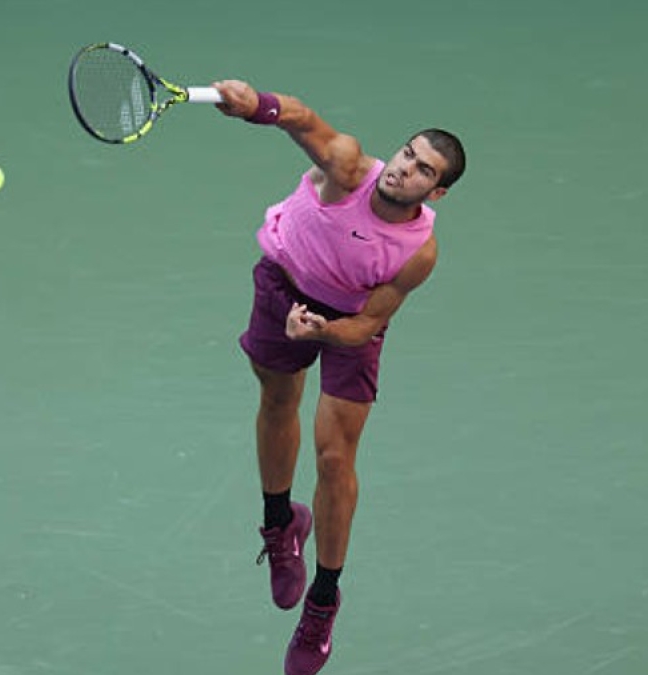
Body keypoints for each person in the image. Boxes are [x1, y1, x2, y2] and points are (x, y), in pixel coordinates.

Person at [210, 79, 466, 675]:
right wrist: (257, 106)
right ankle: (281, 524)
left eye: (423, 169)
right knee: (277, 399)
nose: (405, 169)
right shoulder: (349, 168)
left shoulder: (418, 252)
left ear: (439, 191)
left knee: (334, 458)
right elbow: (304, 121)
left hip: (345, 322)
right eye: (407, 153)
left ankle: (323, 601)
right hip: (283, 284)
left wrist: (323, 332)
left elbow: (369, 324)